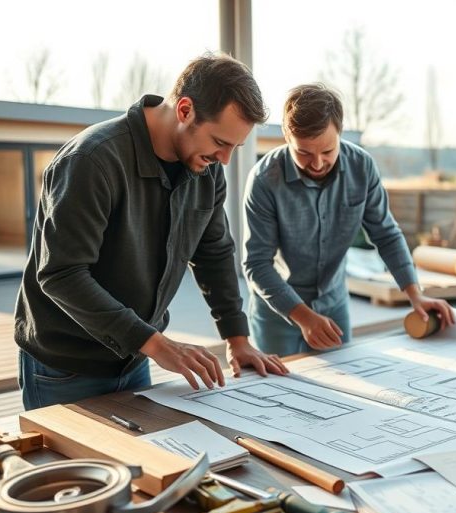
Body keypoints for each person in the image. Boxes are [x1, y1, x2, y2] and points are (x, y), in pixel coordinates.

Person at [15, 53, 287, 410]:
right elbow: (61, 274)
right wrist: (159, 345)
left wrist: (238, 340)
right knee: (78, 466)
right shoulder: (92, 160)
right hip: (65, 368)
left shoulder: (206, 169)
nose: (225, 159)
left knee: (139, 465)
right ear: (185, 110)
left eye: (235, 148)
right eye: (221, 142)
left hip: (136, 356)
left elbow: (214, 253)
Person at [242, 83, 454, 355]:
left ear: (340, 134)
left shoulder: (362, 167)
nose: (317, 164)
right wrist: (304, 317)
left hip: (334, 305)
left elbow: (386, 234)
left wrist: (416, 295)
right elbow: (257, 264)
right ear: (286, 137)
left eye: (328, 151)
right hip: (278, 311)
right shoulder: (264, 180)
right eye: (304, 153)